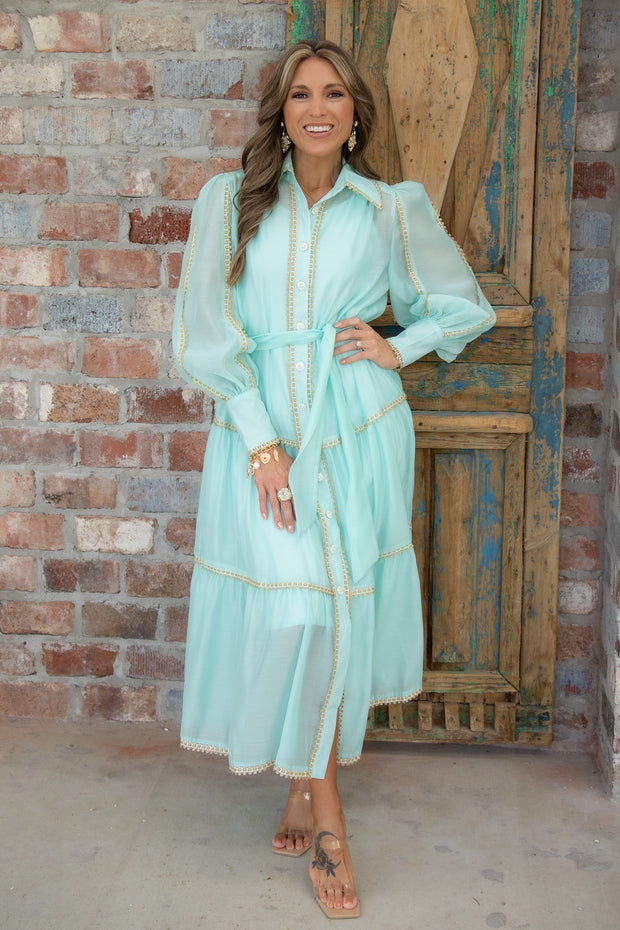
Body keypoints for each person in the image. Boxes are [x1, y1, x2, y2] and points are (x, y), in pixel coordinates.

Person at [172, 38, 495, 919]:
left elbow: (462, 306)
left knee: (332, 613)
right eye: (301, 94)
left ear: (355, 116)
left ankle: (303, 788)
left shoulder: (390, 210)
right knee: (299, 611)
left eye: (335, 95)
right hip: (262, 434)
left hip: (357, 428)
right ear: (281, 113)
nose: (318, 108)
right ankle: (330, 819)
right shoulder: (229, 201)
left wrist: (401, 347)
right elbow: (204, 334)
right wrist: (260, 442)